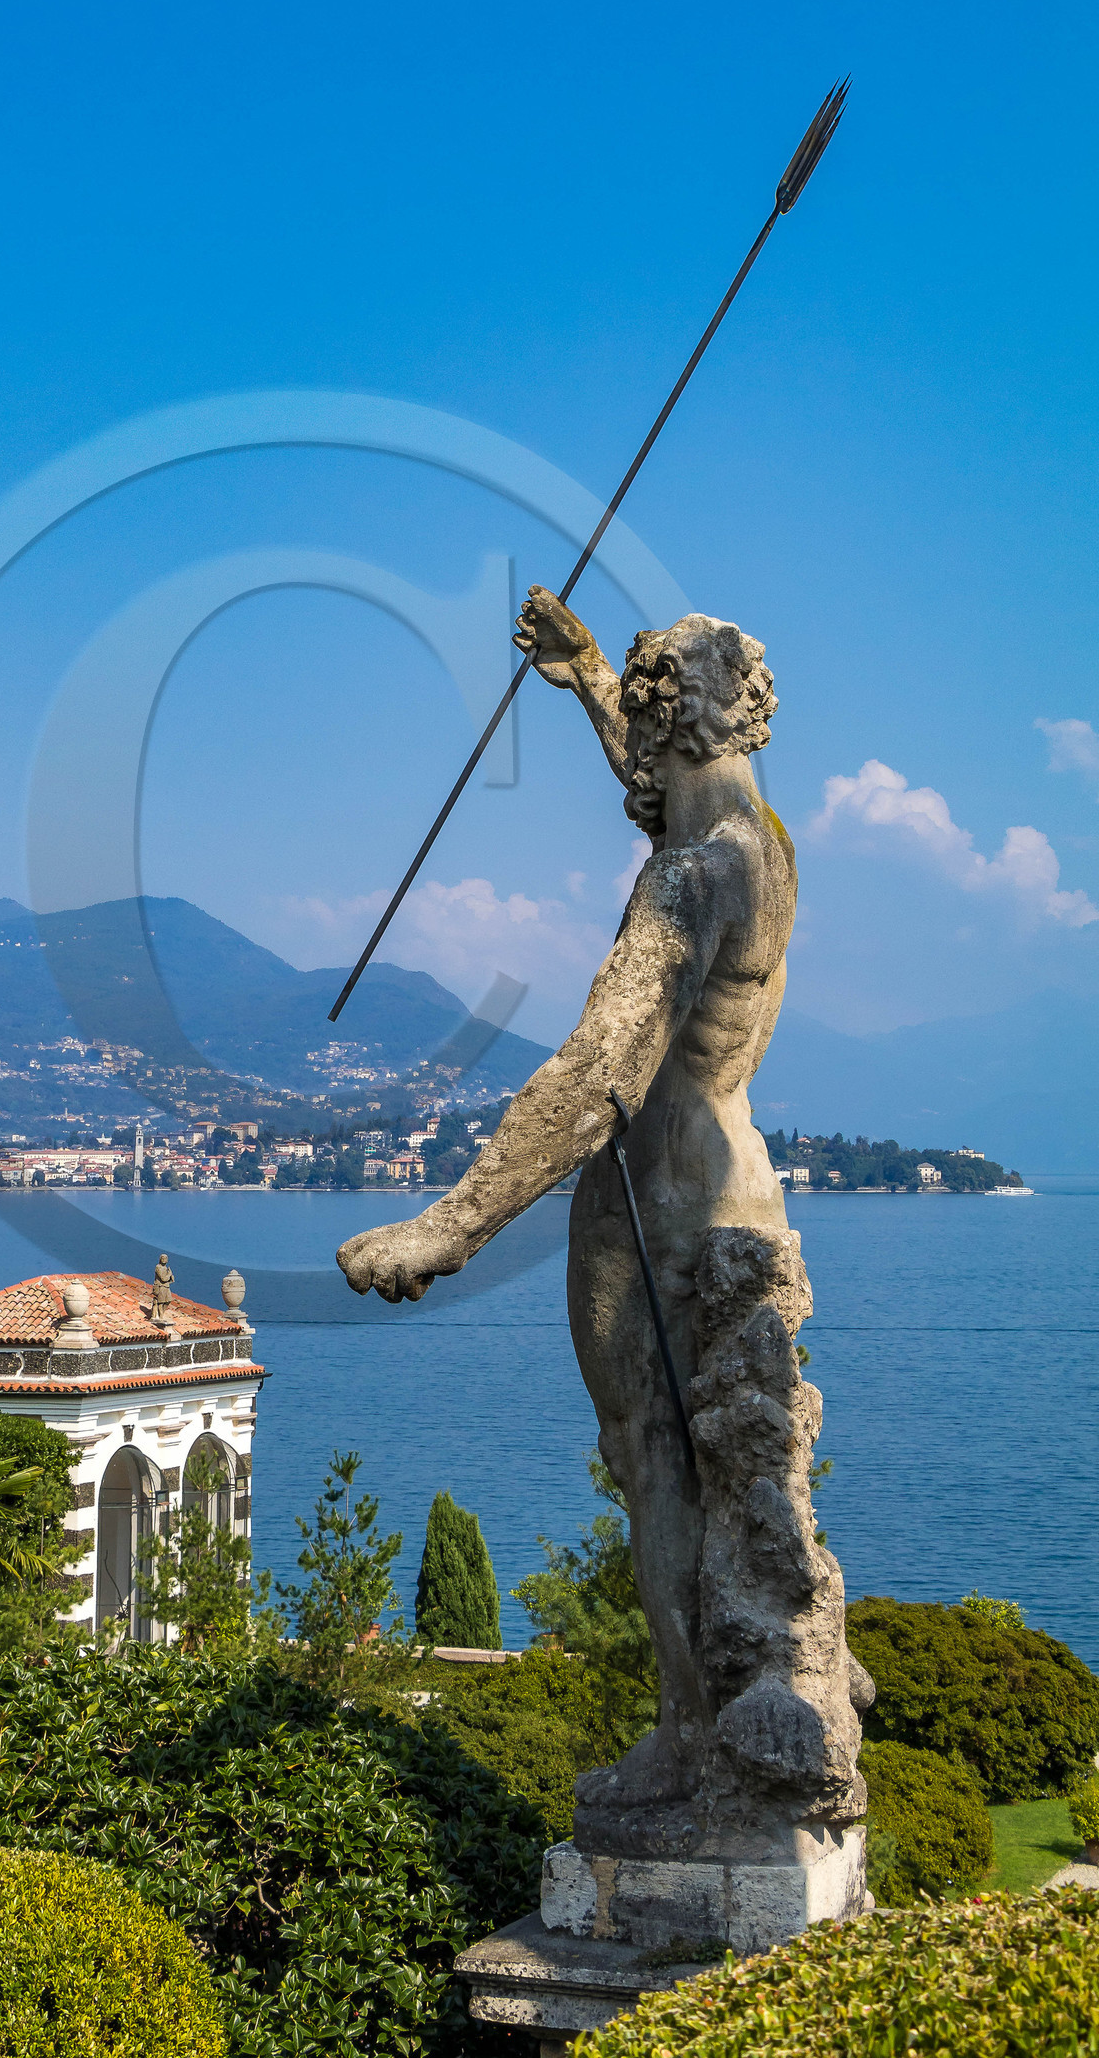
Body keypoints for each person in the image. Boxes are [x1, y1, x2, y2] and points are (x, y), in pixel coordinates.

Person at [339, 591, 865, 1853]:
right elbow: (654, 781)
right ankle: (766, 1692)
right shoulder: (756, 839)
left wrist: (451, 1227)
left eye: (643, 693)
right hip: (727, 1189)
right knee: (719, 1470)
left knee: (657, 1464)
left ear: (674, 712)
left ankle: (699, 1743)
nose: (637, 720)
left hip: (666, 1204)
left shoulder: (693, 877)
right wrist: (582, 676)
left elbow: (598, 1069)